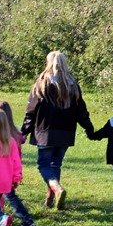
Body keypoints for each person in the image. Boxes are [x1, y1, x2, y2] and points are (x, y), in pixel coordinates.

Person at [21, 51, 94, 210]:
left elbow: (31, 111)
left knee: (44, 164)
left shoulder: (41, 83)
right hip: (65, 132)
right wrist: (89, 128)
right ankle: (50, 198)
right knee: (55, 165)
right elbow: (81, 111)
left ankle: (56, 188)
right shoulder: (72, 85)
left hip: (45, 132)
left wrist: (24, 131)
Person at [0, 100, 36, 226]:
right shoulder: (16, 133)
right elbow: (21, 142)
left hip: (0, 170)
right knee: (1, 194)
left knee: (4, 194)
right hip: (13, 168)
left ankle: (25, 219)